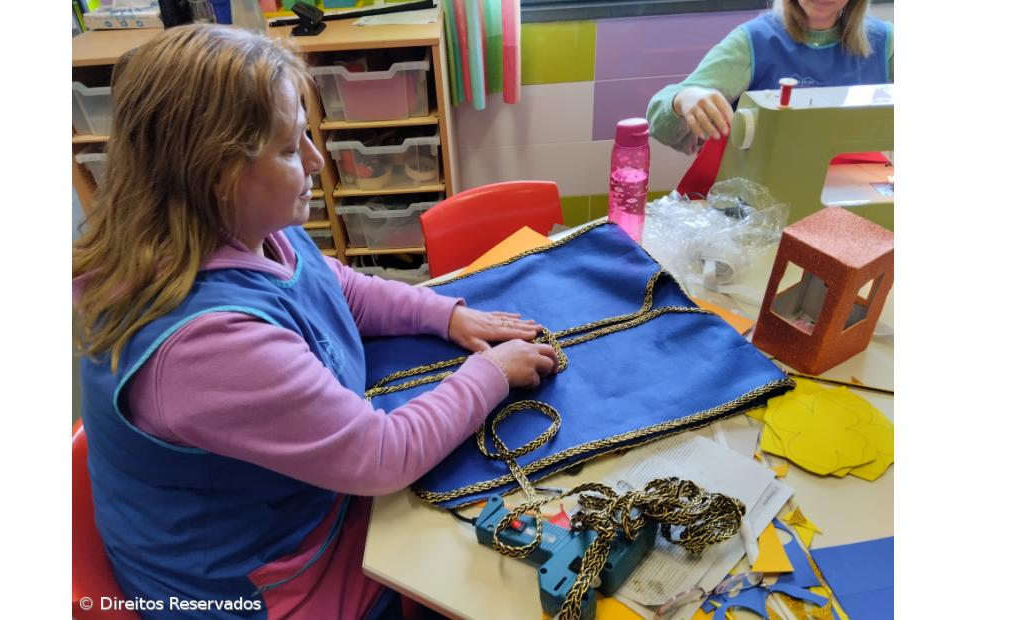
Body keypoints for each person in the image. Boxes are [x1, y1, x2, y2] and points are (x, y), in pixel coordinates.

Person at [72, 24, 558, 619]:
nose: (315, 159)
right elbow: (381, 456)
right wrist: (491, 374)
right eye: (287, 149)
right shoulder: (203, 347)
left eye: (306, 133)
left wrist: (446, 316)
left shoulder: (245, 228)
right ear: (215, 176)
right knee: (487, 575)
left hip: (291, 514)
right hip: (257, 586)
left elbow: (336, 286)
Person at [647, 0, 893, 192]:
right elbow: (659, 118)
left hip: (852, 197)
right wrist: (684, 98)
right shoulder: (752, 42)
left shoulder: (885, 42)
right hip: (762, 203)